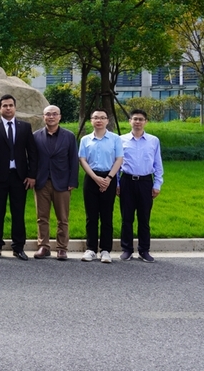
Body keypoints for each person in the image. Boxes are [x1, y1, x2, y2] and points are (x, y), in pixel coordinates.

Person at [0, 94, 37, 260]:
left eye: (10, 105)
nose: (8, 108)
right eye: (5, 106)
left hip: (19, 177)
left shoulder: (25, 127)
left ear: (15, 107)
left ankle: (18, 247)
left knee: (18, 213)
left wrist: (31, 175)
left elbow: (32, 152)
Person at [32, 105, 79, 261]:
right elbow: (32, 159)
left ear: (60, 117)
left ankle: (62, 248)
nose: (51, 117)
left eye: (54, 114)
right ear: (43, 117)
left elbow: (73, 160)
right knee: (42, 217)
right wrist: (32, 177)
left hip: (62, 183)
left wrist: (72, 181)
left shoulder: (69, 136)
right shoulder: (36, 136)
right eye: (48, 114)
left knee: (63, 218)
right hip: (42, 182)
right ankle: (43, 246)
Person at [117, 109, 163, 263]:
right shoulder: (121, 140)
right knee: (127, 218)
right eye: (135, 119)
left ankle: (144, 250)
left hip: (145, 182)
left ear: (146, 122)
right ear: (130, 121)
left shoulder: (153, 141)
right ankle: (127, 249)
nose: (137, 122)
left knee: (144, 218)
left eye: (141, 119)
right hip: (127, 181)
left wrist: (157, 184)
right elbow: (116, 164)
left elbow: (158, 164)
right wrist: (117, 183)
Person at [78, 109, 123, 264]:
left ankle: (105, 250)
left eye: (102, 118)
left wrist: (108, 178)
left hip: (109, 177)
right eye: (96, 117)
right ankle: (91, 249)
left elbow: (119, 159)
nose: (99, 120)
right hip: (91, 178)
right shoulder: (85, 139)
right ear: (91, 120)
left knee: (106, 215)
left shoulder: (115, 139)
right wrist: (95, 178)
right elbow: (82, 160)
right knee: (91, 216)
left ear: (107, 121)